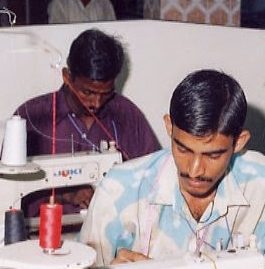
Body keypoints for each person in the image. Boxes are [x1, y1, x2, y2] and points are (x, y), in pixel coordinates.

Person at [79, 69, 265, 269]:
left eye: (212, 155)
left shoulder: (260, 183)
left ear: (238, 142)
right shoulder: (118, 189)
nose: (194, 171)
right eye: (183, 149)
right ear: (169, 127)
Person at [14, 28, 160, 216]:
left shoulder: (127, 116)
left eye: (106, 94)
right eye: (87, 92)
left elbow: (156, 179)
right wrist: (63, 195)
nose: (96, 103)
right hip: (46, 232)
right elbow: (10, 197)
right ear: (67, 77)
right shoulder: (32, 119)